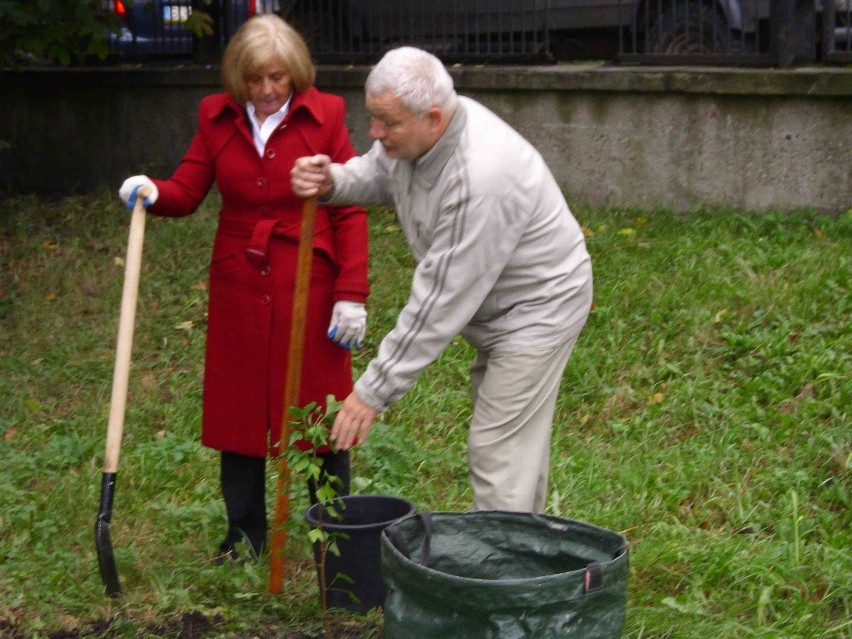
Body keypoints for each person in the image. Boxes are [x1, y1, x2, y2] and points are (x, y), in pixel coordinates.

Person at [291, 47, 593, 513]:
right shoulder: (419, 136)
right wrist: (334, 180)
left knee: (497, 449)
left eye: (385, 122)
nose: (374, 132)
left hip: (539, 306)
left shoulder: (480, 177)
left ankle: (499, 575)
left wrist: (371, 393)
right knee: (510, 445)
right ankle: (528, 556)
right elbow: (379, 170)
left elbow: (438, 302)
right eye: (372, 118)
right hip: (496, 304)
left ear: (432, 117)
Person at [118, 15, 369, 560]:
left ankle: (334, 535)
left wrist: (352, 292)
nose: (267, 90)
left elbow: (348, 203)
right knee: (240, 410)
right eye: (255, 79)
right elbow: (187, 190)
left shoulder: (324, 115)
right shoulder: (216, 117)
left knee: (319, 411)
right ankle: (245, 535)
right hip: (239, 282)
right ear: (239, 77)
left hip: (310, 279)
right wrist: (151, 191)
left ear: (295, 73)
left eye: (277, 78)